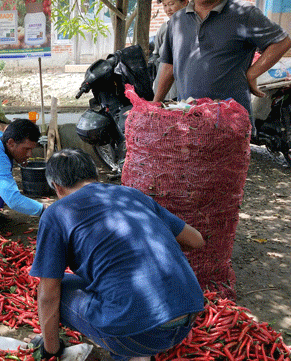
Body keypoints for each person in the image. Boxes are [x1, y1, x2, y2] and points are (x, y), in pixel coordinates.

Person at [29, 148, 205, 361]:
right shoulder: (132, 195)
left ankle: (132, 353)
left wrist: (51, 350)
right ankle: (138, 351)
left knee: (61, 286)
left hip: (140, 334)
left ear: (56, 186)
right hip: (187, 320)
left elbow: (48, 293)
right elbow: (196, 240)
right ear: (95, 176)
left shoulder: (56, 213)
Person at [153, 0, 291, 116]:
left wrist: (251, 74)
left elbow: (282, 42)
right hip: (188, 120)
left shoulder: (244, 14)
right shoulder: (177, 21)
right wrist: (156, 103)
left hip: (232, 122)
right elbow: (169, 65)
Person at [151, 0, 189, 102]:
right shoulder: (164, 28)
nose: (168, 9)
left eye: (171, 4)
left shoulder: (192, 28)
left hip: (184, 94)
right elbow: (157, 56)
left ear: (185, 2)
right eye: (165, 5)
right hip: (162, 92)